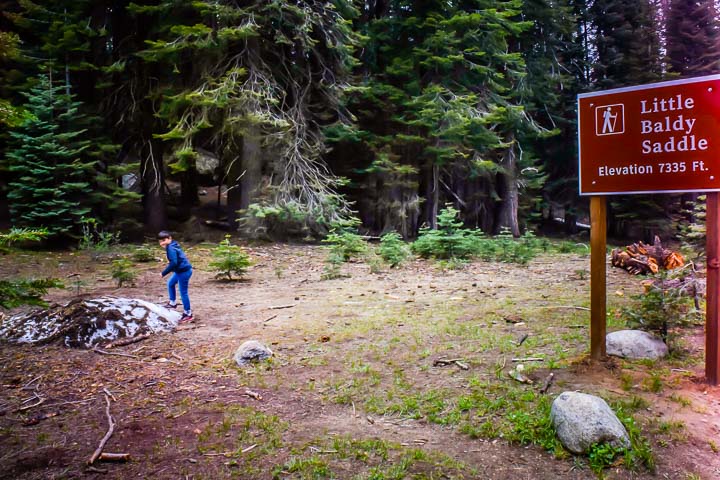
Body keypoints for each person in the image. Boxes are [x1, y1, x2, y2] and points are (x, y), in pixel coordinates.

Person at [158, 231, 194, 323]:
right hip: (180, 271)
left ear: (169, 238)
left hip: (184, 271)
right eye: (160, 241)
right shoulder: (172, 245)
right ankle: (172, 303)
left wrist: (163, 273)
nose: (162, 243)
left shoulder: (171, 248)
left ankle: (188, 314)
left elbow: (174, 263)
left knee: (183, 292)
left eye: (164, 240)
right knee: (170, 283)